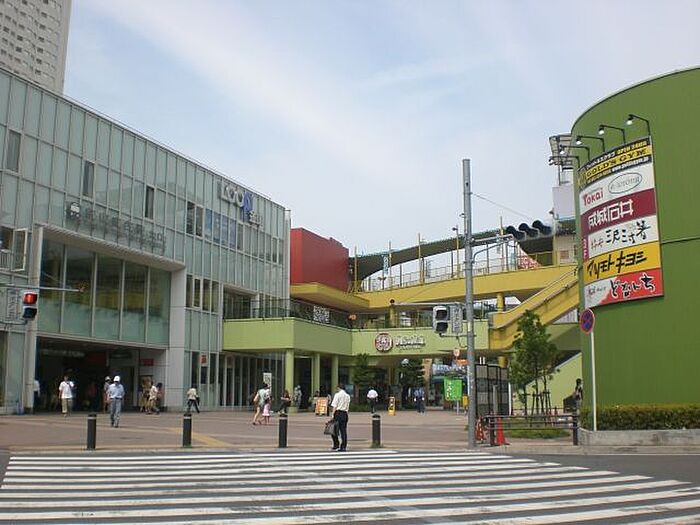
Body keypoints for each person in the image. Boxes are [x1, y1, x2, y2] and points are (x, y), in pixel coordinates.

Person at [329, 383, 351, 452]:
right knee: (343, 431)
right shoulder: (348, 396)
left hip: (338, 413)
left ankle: (336, 445)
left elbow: (334, 406)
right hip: (345, 413)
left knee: (334, 430)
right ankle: (343, 446)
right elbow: (347, 406)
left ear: (338, 388)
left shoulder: (337, 395)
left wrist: (332, 415)